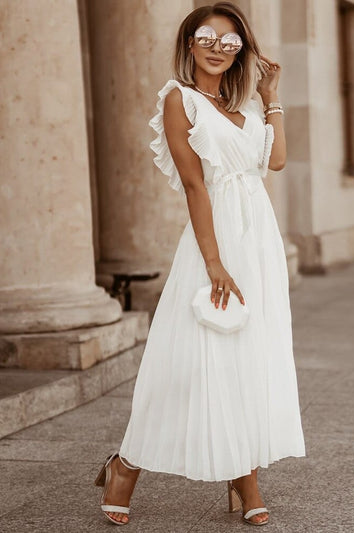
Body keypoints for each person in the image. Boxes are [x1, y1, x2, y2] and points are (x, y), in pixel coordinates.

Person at [94, 2, 306, 527]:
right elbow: (194, 184)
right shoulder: (178, 99)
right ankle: (124, 466)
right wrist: (213, 261)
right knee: (188, 357)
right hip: (216, 240)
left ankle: (245, 477)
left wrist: (271, 98)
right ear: (190, 42)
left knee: (252, 354)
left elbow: (274, 161)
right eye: (208, 37)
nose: (218, 47)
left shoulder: (248, 109)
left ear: (243, 51)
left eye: (231, 41)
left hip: (258, 240)